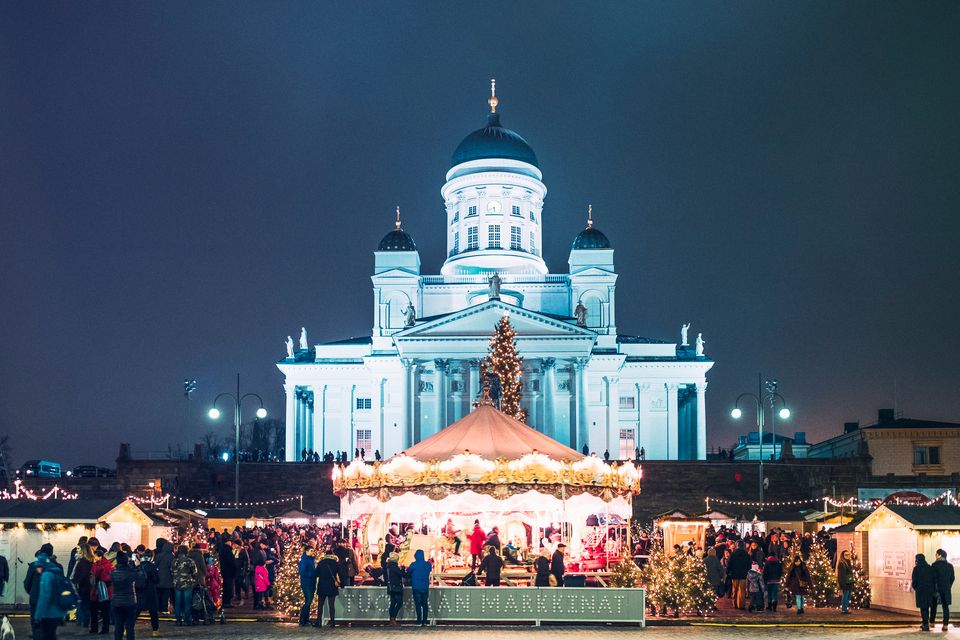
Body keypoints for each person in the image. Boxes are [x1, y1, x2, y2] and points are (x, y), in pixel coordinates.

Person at [34, 552, 69, 640]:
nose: (37, 570)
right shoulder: (56, 571)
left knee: (47, 636)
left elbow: (44, 597)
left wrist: (37, 617)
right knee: (52, 635)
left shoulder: (46, 576)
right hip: (58, 611)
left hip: (49, 613)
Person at [111, 552, 141, 640]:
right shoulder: (131, 572)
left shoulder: (113, 573)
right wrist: (138, 566)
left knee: (118, 626)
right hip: (130, 601)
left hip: (117, 601)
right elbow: (142, 577)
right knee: (130, 628)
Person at [90, 547, 115, 634]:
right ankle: (98, 628)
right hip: (101, 590)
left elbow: (97, 576)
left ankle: (100, 628)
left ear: (100, 556)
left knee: (103, 610)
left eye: (95, 556)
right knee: (100, 610)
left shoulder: (104, 565)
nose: (94, 558)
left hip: (103, 591)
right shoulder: (107, 565)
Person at [314, 545, 340, 627]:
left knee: (320, 605)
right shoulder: (335, 563)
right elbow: (340, 574)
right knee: (331, 605)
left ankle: (318, 622)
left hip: (322, 585)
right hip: (332, 586)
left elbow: (316, 574)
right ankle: (332, 622)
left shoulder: (321, 563)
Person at [136, 549, 160, 637]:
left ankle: (127, 628)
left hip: (140, 590)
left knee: (136, 611)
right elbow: (156, 580)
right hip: (150, 591)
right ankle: (155, 630)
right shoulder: (152, 567)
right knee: (153, 612)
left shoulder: (138, 566)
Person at [171, 545, 197, 627]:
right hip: (187, 583)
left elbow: (171, 571)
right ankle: (186, 620)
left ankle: (178, 620)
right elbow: (194, 572)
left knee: (177, 602)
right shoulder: (189, 560)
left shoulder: (174, 561)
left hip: (177, 583)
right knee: (187, 602)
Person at [407, 549, 432, 626]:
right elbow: (430, 569)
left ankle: (419, 620)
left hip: (416, 587)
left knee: (418, 604)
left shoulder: (413, 565)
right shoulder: (428, 564)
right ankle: (425, 620)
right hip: (425, 587)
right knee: (425, 604)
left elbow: (408, 572)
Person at [932, 548, 955, 630]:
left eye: (936, 554)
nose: (935, 556)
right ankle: (945, 625)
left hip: (936, 589)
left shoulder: (934, 565)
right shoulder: (950, 566)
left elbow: (933, 578)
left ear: (939, 555)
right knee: (945, 607)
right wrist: (948, 586)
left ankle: (932, 623)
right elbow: (952, 578)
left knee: (933, 606)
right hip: (946, 589)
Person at [73, 544, 94, 629]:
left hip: (83, 586)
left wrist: (77, 581)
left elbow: (82, 574)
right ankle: (85, 621)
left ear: (83, 550)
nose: (78, 550)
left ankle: (84, 621)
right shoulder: (91, 561)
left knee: (83, 604)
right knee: (86, 604)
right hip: (89, 586)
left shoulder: (83, 561)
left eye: (79, 549)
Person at [914, 553, 937, 631]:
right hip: (929, 591)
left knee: (923, 608)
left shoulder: (916, 569)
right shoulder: (930, 568)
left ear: (917, 560)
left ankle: (925, 624)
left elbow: (914, 581)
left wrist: (915, 588)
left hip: (920, 591)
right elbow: (934, 580)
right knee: (926, 607)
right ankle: (925, 623)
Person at [297, 542, 317, 626]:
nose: (313, 552)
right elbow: (302, 572)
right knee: (308, 601)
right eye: (311, 551)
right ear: (307, 551)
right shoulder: (304, 560)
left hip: (311, 582)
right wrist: (312, 574)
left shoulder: (311, 559)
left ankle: (306, 619)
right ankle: (302, 619)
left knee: (309, 601)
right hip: (307, 583)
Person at [727, 541, 751, 609]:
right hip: (743, 574)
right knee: (742, 590)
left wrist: (728, 572)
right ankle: (741, 604)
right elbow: (749, 565)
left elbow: (729, 564)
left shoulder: (733, 554)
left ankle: (734, 603)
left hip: (734, 574)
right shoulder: (746, 554)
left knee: (735, 589)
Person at [384, 552, 404, 625]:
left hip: (391, 587)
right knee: (399, 602)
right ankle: (393, 618)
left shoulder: (388, 566)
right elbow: (401, 574)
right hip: (396, 587)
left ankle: (391, 619)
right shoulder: (394, 566)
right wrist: (403, 569)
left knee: (393, 603)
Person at [154, 539, 173, 615]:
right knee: (165, 594)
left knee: (158, 594)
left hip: (158, 577)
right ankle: (164, 609)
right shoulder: (171, 556)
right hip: (167, 578)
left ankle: (158, 608)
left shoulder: (158, 555)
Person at [218, 539, 236, 608]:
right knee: (228, 587)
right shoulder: (227, 550)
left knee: (226, 586)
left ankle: (226, 602)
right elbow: (231, 561)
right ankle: (227, 602)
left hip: (225, 571)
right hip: (229, 571)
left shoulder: (223, 549)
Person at [836, 550, 855, 614]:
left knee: (848, 596)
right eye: (845, 555)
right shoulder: (842, 563)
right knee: (845, 596)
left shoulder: (848, 562)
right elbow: (841, 575)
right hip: (845, 583)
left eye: (848, 554)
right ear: (843, 556)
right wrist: (842, 584)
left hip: (849, 582)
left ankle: (846, 609)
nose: (847, 556)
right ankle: (844, 610)